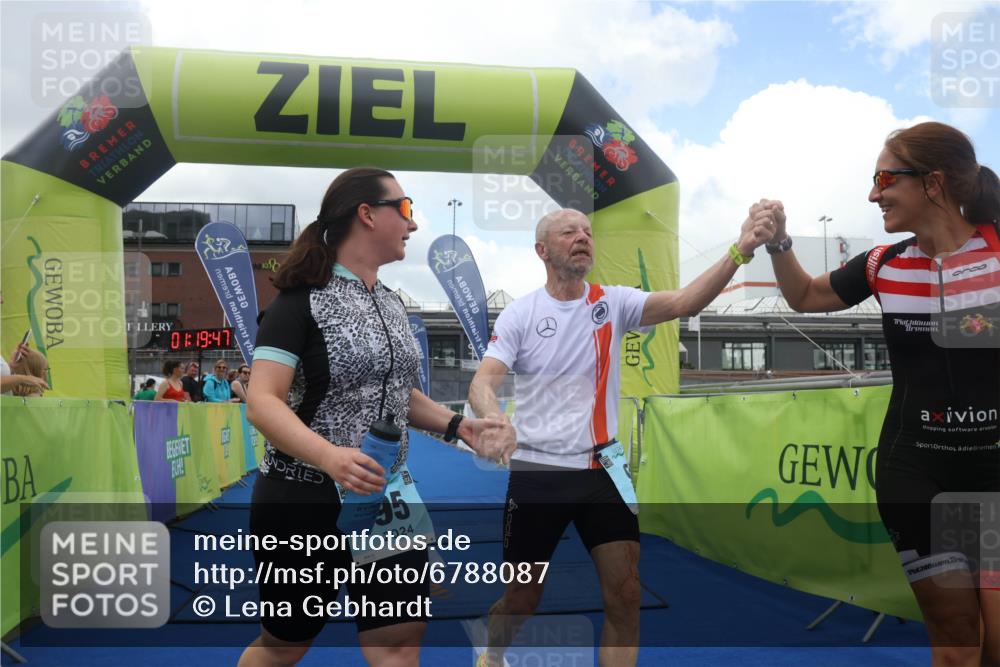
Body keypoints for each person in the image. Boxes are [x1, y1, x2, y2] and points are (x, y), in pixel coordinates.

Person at [468, 206, 777, 666]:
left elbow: (685, 302)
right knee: (523, 599)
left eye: (588, 231)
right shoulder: (521, 314)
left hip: (603, 469)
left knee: (627, 593)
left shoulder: (612, 301)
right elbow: (482, 383)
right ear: (542, 250)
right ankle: (492, 654)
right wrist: (493, 419)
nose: (583, 237)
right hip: (539, 472)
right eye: (569, 231)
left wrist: (741, 249)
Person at [238, 167, 508, 667]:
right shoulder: (297, 304)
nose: (414, 223)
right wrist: (331, 458)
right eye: (405, 209)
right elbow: (262, 401)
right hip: (303, 497)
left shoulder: (390, 302)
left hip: (389, 499)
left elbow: (396, 393)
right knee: (285, 644)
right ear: (366, 214)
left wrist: (457, 425)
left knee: (399, 643)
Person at [762, 121, 999, 666]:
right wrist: (779, 241)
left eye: (884, 178)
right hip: (915, 469)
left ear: (933, 183)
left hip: (994, 469)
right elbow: (802, 296)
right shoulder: (882, 265)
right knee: (958, 642)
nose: (873, 194)